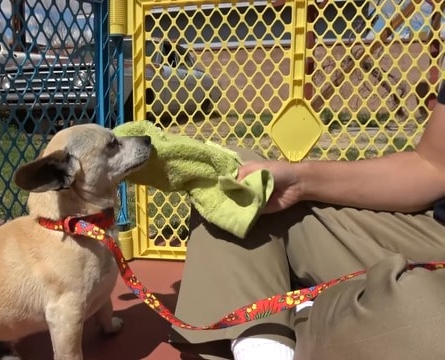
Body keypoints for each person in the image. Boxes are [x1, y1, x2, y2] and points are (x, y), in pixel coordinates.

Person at [168, 84, 445, 360]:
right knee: (233, 182)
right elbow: (432, 166)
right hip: (431, 235)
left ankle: (301, 319)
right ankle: (270, 342)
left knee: (421, 316)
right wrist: (301, 182)